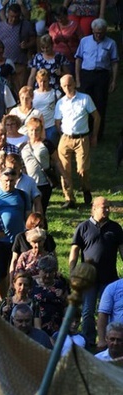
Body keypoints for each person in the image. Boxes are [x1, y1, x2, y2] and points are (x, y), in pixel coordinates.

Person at [70, 197, 123, 346]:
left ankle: (110, 340)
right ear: (94, 208)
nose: (107, 210)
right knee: (88, 311)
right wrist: (73, 271)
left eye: (108, 207)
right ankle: (88, 341)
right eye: (103, 207)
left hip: (109, 278)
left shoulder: (115, 228)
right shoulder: (83, 227)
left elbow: (122, 250)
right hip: (89, 279)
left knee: (108, 311)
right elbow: (75, 250)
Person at [55, 74, 99, 208]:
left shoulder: (85, 99)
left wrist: (94, 136)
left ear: (74, 84)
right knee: (64, 170)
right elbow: (57, 121)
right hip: (66, 138)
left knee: (83, 169)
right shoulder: (60, 102)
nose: (67, 88)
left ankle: (85, 188)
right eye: (64, 86)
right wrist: (62, 134)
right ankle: (69, 199)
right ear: (61, 87)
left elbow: (96, 117)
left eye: (69, 85)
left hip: (82, 138)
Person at [75, 18, 117, 140]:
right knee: (84, 103)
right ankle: (84, 131)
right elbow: (78, 59)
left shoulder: (111, 43)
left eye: (101, 33)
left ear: (105, 31)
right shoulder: (84, 41)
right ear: (92, 30)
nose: (98, 35)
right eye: (96, 32)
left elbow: (114, 62)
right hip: (87, 74)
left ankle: (97, 134)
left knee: (100, 104)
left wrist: (113, 80)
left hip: (102, 75)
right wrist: (78, 78)